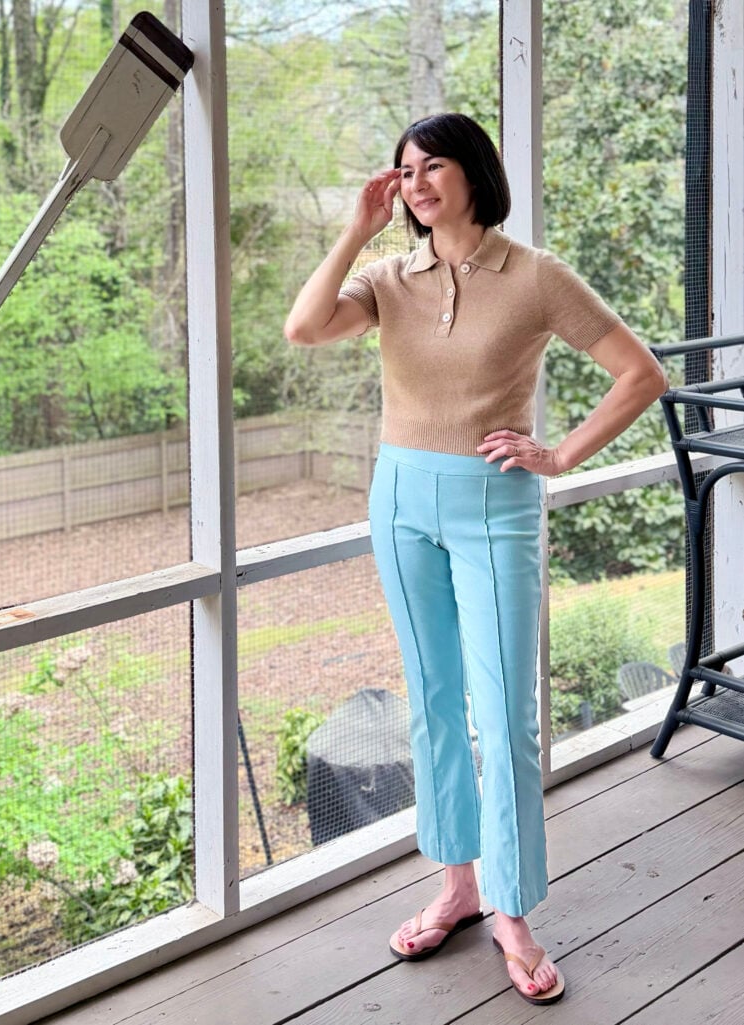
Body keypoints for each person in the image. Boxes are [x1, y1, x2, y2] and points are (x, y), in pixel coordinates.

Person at [284, 112, 667, 1005]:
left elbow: (639, 372)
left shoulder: (535, 277)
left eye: (432, 167)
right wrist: (354, 230)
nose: (414, 183)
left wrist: (561, 454)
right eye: (402, 171)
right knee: (433, 706)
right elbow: (304, 328)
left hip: (494, 504)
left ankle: (514, 908)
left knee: (504, 716)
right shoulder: (389, 276)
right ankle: (457, 883)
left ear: (473, 174)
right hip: (400, 501)